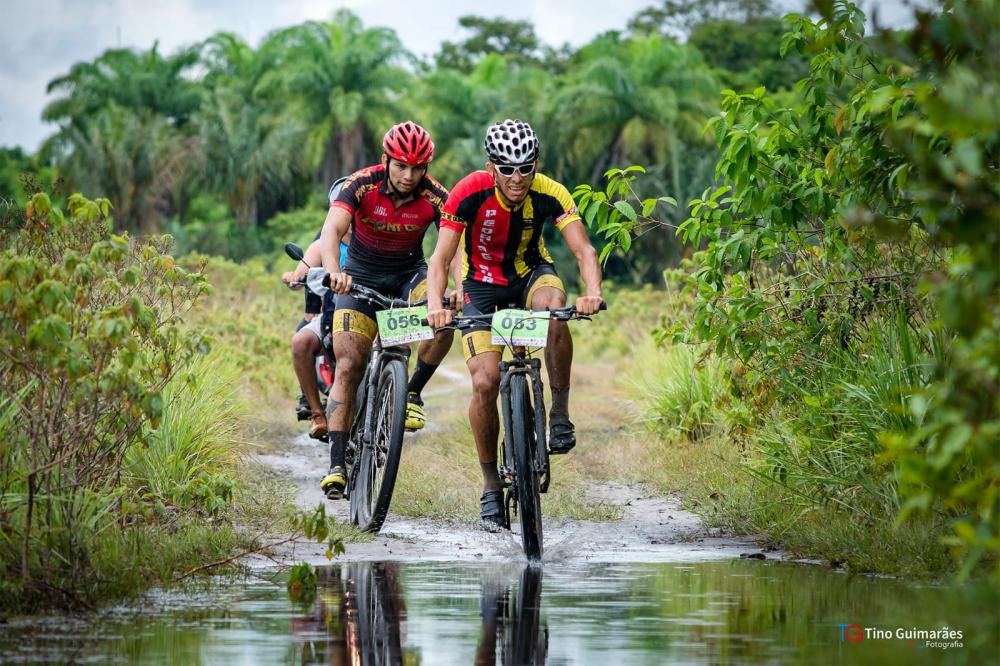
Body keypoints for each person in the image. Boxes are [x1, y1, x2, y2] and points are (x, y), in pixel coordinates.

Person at [425, 118, 603, 531]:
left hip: (529, 276)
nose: (517, 178)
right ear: (492, 168)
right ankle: (490, 487)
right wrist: (436, 305)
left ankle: (558, 413)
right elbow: (438, 259)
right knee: (485, 382)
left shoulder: (551, 192)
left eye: (526, 167)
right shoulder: (468, 192)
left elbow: (583, 250)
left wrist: (591, 291)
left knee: (556, 307)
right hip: (480, 287)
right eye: (507, 169)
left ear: (536, 164)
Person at [317, 120, 461, 499]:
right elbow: (331, 231)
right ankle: (336, 463)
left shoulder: (435, 196)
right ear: (386, 160)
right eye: (401, 166)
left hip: (408, 277)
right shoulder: (360, 184)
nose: (409, 175)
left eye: (417, 168)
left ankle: (411, 392)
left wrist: (457, 289)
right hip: (358, 279)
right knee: (349, 365)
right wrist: (334, 273)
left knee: (443, 322)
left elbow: (453, 245)